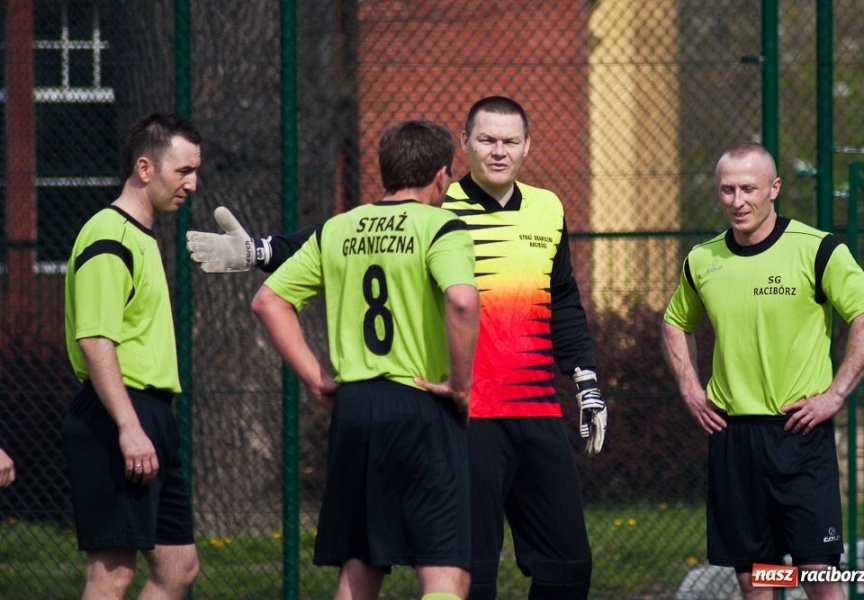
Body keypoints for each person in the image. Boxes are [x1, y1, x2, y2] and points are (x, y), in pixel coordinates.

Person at [188, 96, 608, 600]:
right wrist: (260, 250)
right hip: (463, 413)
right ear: (463, 147)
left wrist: (585, 382)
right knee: (470, 575)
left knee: (569, 567)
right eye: (487, 140)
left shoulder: (549, 208)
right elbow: (330, 238)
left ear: (527, 147)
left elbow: (563, 301)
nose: (499, 151)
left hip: (535, 409)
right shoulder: (438, 209)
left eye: (510, 141)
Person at [251, 119, 480, 600]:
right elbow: (462, 301)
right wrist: (460, 387)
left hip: (356, 410)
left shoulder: (338, 228)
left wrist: (316, 378)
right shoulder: (442, 226)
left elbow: (268, 301)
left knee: (360, 569)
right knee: (446, 571)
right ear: (441, 176)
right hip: (421, 403)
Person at [661, 141, 864, 600]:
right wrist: (689, 386)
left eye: (749, 188)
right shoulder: (703, 260)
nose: (737, 201)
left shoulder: (817, 249)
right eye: (728, 190)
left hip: (798, 434)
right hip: (733, 437)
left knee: (817, 574)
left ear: (774, 189)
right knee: (755, 577)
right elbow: (673, 322)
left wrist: (835, 394)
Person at [62, 112, 203, 600]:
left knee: (178, 568)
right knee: (113, 572)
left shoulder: (141, 236)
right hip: (118, 414)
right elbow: (95, 340)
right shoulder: (108, 235)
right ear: (145, 169)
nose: (193, 183)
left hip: (151, 415)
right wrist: (128, 427)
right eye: (183, 171)